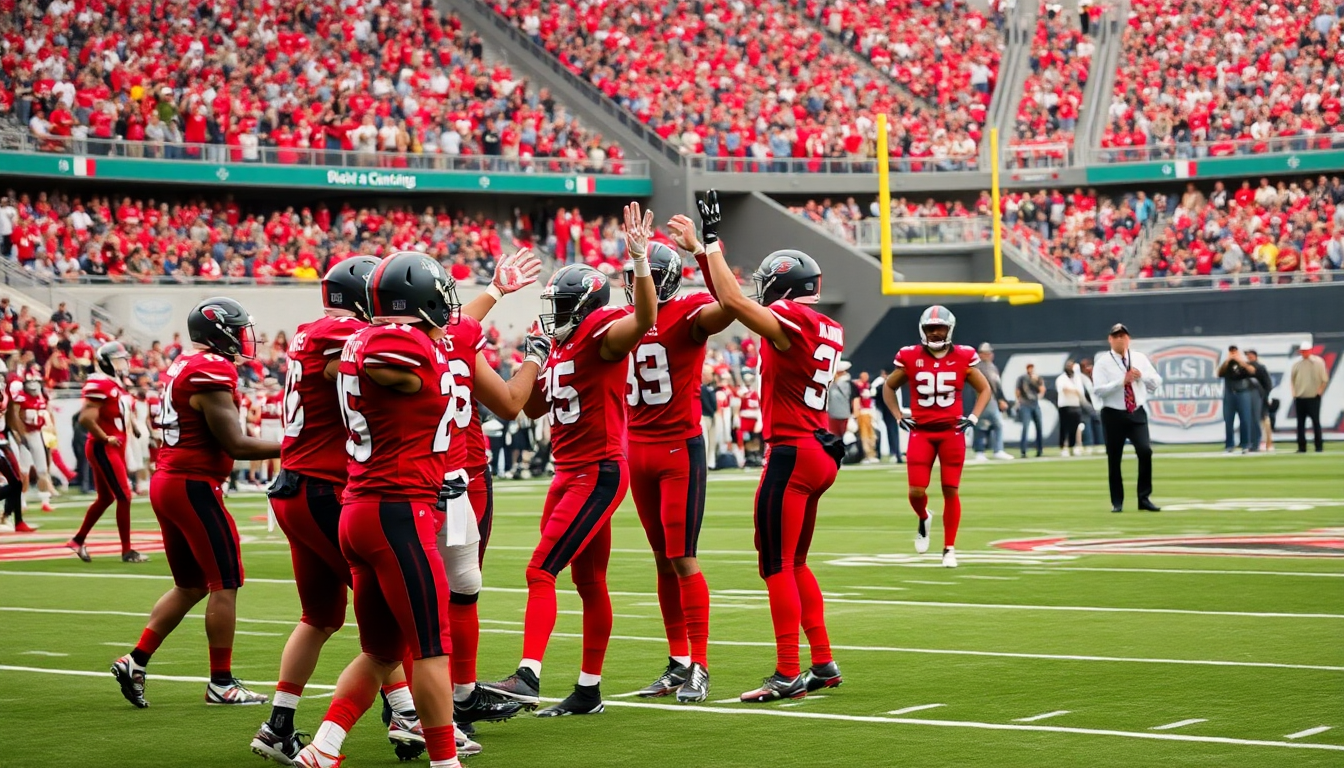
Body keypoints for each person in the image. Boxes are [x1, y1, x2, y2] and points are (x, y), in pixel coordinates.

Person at [291, 252, 489, 768]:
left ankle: (323, 747)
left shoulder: (373, 338)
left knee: (381, 651)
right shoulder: (394, 340)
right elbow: (383, 355)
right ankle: (446, 761)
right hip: (397, 512)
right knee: (431, 648)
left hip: (363, 510)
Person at [481, 202, 656, 717]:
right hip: (568, 472)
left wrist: (639, 261)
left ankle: (527, 676)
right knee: (588, 581)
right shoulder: (560, 346)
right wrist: (534, 358)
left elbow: (644, 318)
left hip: (598, 470)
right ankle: (588, 690)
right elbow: (530, 406)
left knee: (540, 570)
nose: (550, 313)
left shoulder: (601, 329)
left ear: (582, 306)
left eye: (558, 304)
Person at [692, 190, 845, 703]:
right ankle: (822, 662)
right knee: (795, 561)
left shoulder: (794, 322)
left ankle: (787, 672)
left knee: (775, 563)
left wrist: (712, 241)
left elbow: (734, 303)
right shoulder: (826, 324)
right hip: (818, 450)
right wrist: (703, 253)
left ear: (782, 285)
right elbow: (733, 301)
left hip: (793, 451)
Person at [112, 297, 281, 709]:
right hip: (193, 485)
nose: (245, 338)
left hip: (171, 481)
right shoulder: (212, 369)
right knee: (226, 582)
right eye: (238, 330)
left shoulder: (187, 363)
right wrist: (299, 447)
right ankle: (221, 682)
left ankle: (135, 661)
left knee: (190, 585)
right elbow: (235, 444)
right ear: (219, 333)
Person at [252, 257, 385, 765]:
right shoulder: (344, 334)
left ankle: (278, 724)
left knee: (320, 616)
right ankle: (409, 716)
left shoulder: (314, 331)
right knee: (389, 612)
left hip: (296, 486)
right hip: (323, 488)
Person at [623, 222, 734, 704]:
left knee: (682, 558)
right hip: (637, 448)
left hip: (676, 449)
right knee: (661, 560)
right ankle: (678, 660)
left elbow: (731, 305)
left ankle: (700, 664)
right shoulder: (624, 317)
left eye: (641, 274)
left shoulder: (690, 311)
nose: (632, 282)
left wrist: (704, 252)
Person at [882, 307, 992, 569]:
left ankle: (949, 548)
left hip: (951, 432)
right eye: (930, 328)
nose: (935, 332)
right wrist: (898, 415)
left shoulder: (963, 355)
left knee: (950, 489)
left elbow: (985, 388)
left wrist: (974, 417)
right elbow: (889, 386)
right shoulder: (910, 356)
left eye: (940, 327)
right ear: (923, 330)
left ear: (949, 329)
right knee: (916, 491)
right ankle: (923, 516)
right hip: (921, 432)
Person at [68, 342, 147, 563]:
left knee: (106, 498)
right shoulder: (100, 383)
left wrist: (134, 426)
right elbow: (85, 418)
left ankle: (77, 540)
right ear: (106, 363)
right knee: (124, 496)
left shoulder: (116, 383)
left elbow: (119, 410)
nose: (123, 364)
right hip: (104, 447)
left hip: (115, 446)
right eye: (118, 360)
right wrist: (105, 437)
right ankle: (127, 551)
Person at [1092, 324, 1162, 513]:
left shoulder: (1139, 358)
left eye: (1123, 336)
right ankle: (1117, 501)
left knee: (1145, 451)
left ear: (1128, 339)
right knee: (1114, 458)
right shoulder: (1102, 362)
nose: (1120, 339)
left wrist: (1142, 376)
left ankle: (1144, 498)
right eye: (1116, 336)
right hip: (1113, 413)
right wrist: (1121, 382)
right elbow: (1098, 390)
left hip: (1136, 411)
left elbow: (1156, 382)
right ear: (1110, 339)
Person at [10, 377, 55, 512]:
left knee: (42, 469)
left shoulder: (42, 396)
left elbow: (48, 413)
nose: (34, 386)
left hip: (37, 434)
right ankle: (21, 501)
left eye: (36, 382)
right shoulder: (20, 398)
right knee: (23, 470)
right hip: (24, 435)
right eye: (31, 382)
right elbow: (15, 416)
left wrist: (51, 429)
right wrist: (20, 433)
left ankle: (45, 501)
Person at [971, 343, 1013, 461]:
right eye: (986, 353)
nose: (989, 355)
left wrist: (1000, 399)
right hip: (982, 399)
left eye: (989, 353)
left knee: (997, 424)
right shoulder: (978, 367)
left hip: (992, 400)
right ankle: (980, 451)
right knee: (981, 426)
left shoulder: (992, 367)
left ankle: (997, 450)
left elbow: (997, 385)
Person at [1218, 345, 1258, 453]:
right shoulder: (1226, 365)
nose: (1233, 354)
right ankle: (1229, 445)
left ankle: (1245, 444)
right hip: (1229, 393)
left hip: (1243, 392)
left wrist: (1240, 361)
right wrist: (1227, 361)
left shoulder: (1244, 363)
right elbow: (1219, 373)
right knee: (1228, 420)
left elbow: (1252, 371)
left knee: (1245, 419)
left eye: (1235, 352)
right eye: (1231, 352)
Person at [1290, 343, 1329, 453]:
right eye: (1302, 351)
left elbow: (1324, 379)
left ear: (1311, 350)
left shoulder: (1318, 362)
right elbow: (1292, 379)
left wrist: (1319, 392)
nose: (1304, 353)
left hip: (1313, 396)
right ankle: (1301, 447)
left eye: (1306, 350)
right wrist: (1294, 393)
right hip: (1300, 397)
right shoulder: (1297, 363)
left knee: (1315, 422)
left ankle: (1318, 446)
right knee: (1300, 423)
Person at [1245, 350, 1274, 451]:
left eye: (1250, 355)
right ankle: (1256, 442)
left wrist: (1266, 396)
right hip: (1250, 397)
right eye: (1247, 355)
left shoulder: (1260, 368)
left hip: (1261, 397)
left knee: (1264, 420)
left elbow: (1268, 383)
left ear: (1255, 356)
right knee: (1254, 420)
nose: (1249, 357)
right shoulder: (1245, 368)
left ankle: (1268, 443)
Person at [1015, 362, 1045, 457]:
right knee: (1025, 427)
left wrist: (1036, 382)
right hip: (1025, 404)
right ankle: (1023, 450)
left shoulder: (1037, 378)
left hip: (1035, 404)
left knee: (1039, 426)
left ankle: (1039, 449)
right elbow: (1018, 390)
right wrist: (1019, 401)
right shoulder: (1022, 378)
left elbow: (1042, 389)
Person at [875, 368, 904, 463]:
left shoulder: (890, 384)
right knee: (891, 432)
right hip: (889, 410)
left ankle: (896, 453)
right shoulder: (886, 383)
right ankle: (894, 453)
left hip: (891, 411)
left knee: (892, 432)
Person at [1055, 360, 1084, 456]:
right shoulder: (1061, 378)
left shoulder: (1077, 378)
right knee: (1064, 427)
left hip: (1075, 405)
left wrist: (1073, 390)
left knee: (1074, 428)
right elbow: (1064, 389)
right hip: (1064, 406)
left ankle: (1072, 446)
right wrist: (1074, 390)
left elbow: (1080, 392)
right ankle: (1063, 447)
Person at [1078, 358, 1103, 454]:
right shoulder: (1080, 378)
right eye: (1085, 367)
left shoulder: (1095, 376)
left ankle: (1100, 444)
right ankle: (1088, 445)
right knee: (1087, 426)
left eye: (1089, 366)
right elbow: (1082, 394)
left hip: (1097, 405)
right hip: (1085, 406)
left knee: (1098, 426)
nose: (1088, 368)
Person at [851, 371, 877, 462]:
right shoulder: (859, 386)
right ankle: (867, 454)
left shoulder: (867, 386)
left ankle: (871, 454)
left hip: (868, 411)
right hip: (862, 412)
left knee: (870, 434)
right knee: (864, 434)